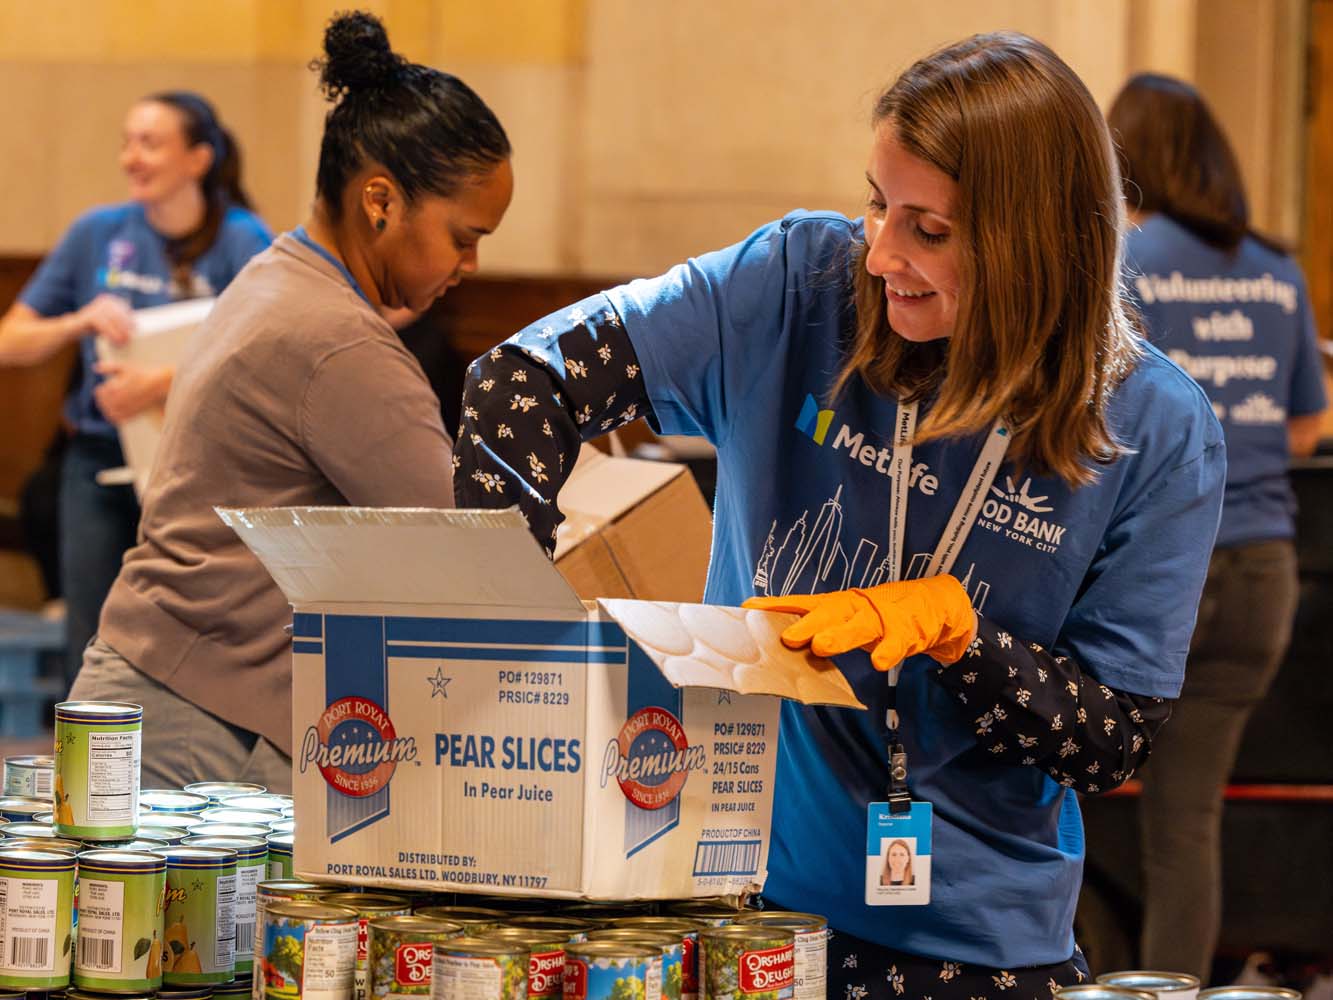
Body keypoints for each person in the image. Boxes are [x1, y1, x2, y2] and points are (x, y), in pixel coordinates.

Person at [457, 32, 1223, 998]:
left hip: (973, 949)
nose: (882, 253)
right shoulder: (797, 287)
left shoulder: (1153, 427)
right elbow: (519, 383)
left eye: (929, 230)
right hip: (734, 904)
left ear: (1033, 244)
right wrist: (506, 628)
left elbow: (1109, 741)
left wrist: (964, 642)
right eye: (876, 203)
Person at [67, 10, 513, 791]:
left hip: (159, 685)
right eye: (464, 236)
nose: (470, 264)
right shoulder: (338, 341)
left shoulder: (277, 273)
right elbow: (470, 558)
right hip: (198, 722)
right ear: (381, 201)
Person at [1108, 73, 1327, 981]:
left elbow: (1095, 412)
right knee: (1186, 824)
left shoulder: (1130, 260)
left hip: (1167, 569)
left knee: (1065, 791)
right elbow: (1308, 425)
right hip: (1264, 574)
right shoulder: (1277, 271)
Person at [0, 92, 271, 685]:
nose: (131, 157)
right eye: (126, 142)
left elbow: (266, 357)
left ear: (198, 159)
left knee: (193, 633)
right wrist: (77, 322)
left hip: (197, 465)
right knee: (91, 632)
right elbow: (9, 341)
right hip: (99, 460)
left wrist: (161, 385)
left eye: (149, 143)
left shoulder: (244, 240)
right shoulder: (96, 232)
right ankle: (89, 743)